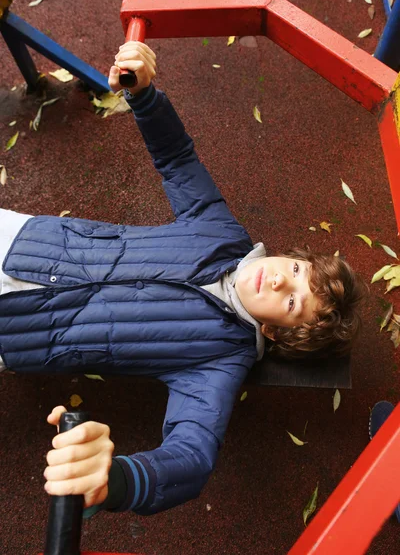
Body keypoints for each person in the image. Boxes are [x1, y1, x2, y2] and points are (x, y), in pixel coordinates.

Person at [0, 42, 365, 517]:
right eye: (296, 272)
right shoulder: (221, 232)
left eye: (294, 303)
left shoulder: (221, 362)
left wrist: (121, 480)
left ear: (275, 332)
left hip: (13, 333)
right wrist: (146, 94)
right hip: (21, 239)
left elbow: (192, 458)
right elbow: (177, 159)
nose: (279, 283)